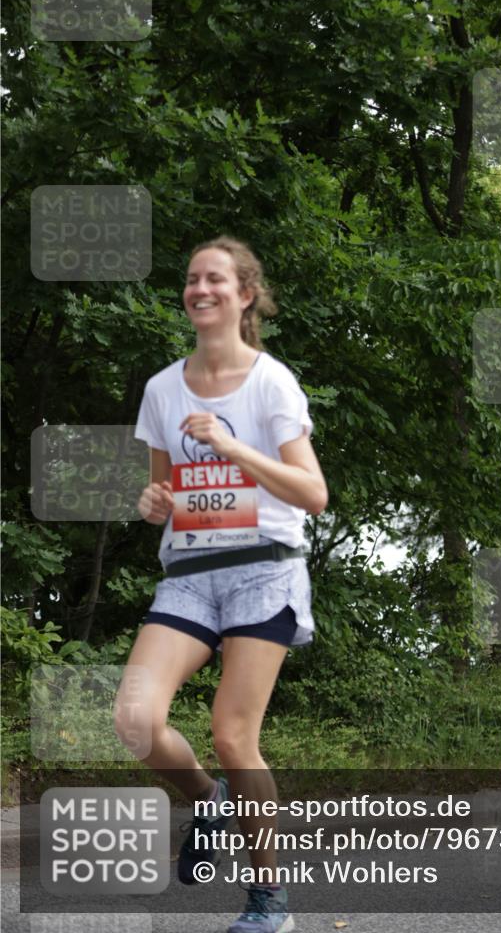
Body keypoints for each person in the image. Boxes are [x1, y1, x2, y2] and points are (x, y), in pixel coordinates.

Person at [114, 234, 328, 933]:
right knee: (136, 721)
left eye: (214, 279)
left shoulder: (272, 382)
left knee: (234, 735)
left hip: (263, 572)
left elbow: (313, 494)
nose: (198, 289)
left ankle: (269, 902)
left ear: (243, 296)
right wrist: (154, 505)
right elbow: (163, 492)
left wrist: (234, 445)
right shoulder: (161, 389)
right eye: (190, 280)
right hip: (190, 575)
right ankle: (208, 800)